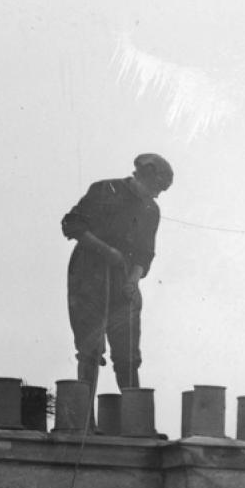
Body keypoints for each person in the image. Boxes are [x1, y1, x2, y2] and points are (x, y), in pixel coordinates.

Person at [61, 153, 174, 399]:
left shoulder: (151, 210)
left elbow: (146, 253)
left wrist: (134, 279)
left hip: (123, 283)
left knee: (128, 356)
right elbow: (72, 225)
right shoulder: (104, 190)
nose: (157, 195)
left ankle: (135, 424)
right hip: (87, 280)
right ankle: (85, 423)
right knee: (89, 351)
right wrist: (107, 251)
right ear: (143, 177)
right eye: (156, 188)